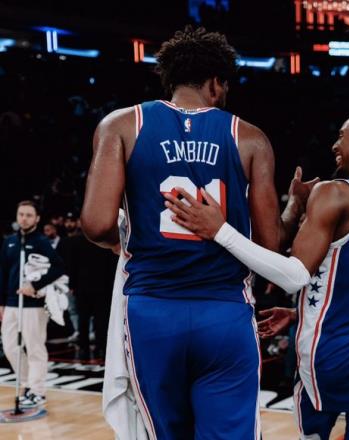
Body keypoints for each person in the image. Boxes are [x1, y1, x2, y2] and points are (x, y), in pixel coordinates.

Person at [80, 26, 315, 439]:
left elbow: (96, 224)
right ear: (215, 82)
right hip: (223, 313)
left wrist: (127, 243)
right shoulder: (250, 138)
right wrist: (294, 206)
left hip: (152, 310)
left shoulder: (121, 125)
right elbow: (269, 244)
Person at [165, 112, 349, 439]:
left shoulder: (334, 192)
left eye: (342, 134)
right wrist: (302, 311)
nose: (335, 144)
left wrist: (220, 231)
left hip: (331, 358)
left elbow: (294, 276)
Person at [0, 200, 65, 408]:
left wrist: (34, 285)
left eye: (29, 215)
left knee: (35, 348)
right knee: (10, 347)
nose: (24, 218)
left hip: (33, 304)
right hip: (11, 303)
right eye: (21, 214)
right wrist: (1, 303)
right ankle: (28, 384)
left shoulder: (41, 241)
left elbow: (58, 267)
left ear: (36, 218)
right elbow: (2, 273)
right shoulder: (9, 241)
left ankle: (37, 391)